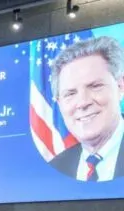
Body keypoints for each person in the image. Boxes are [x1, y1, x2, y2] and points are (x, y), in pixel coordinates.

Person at [49, 36, 124, 181]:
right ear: (59, 104)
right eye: (70, 94)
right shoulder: (56, 168)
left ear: (120, 87)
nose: (82, 102)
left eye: (95, 86)